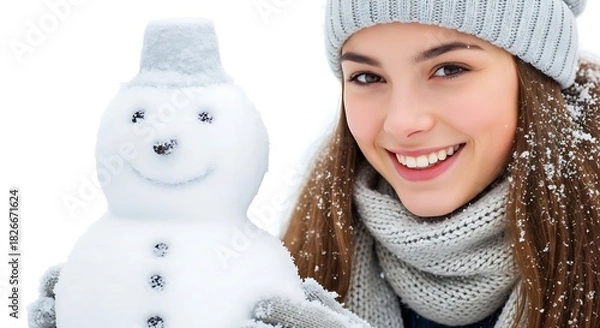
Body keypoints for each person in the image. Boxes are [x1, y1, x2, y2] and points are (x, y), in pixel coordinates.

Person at [30, 0, 600, 327]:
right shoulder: (311, 258)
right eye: (368, 77)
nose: (401, 122)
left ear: (537, 83)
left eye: (449, 69)